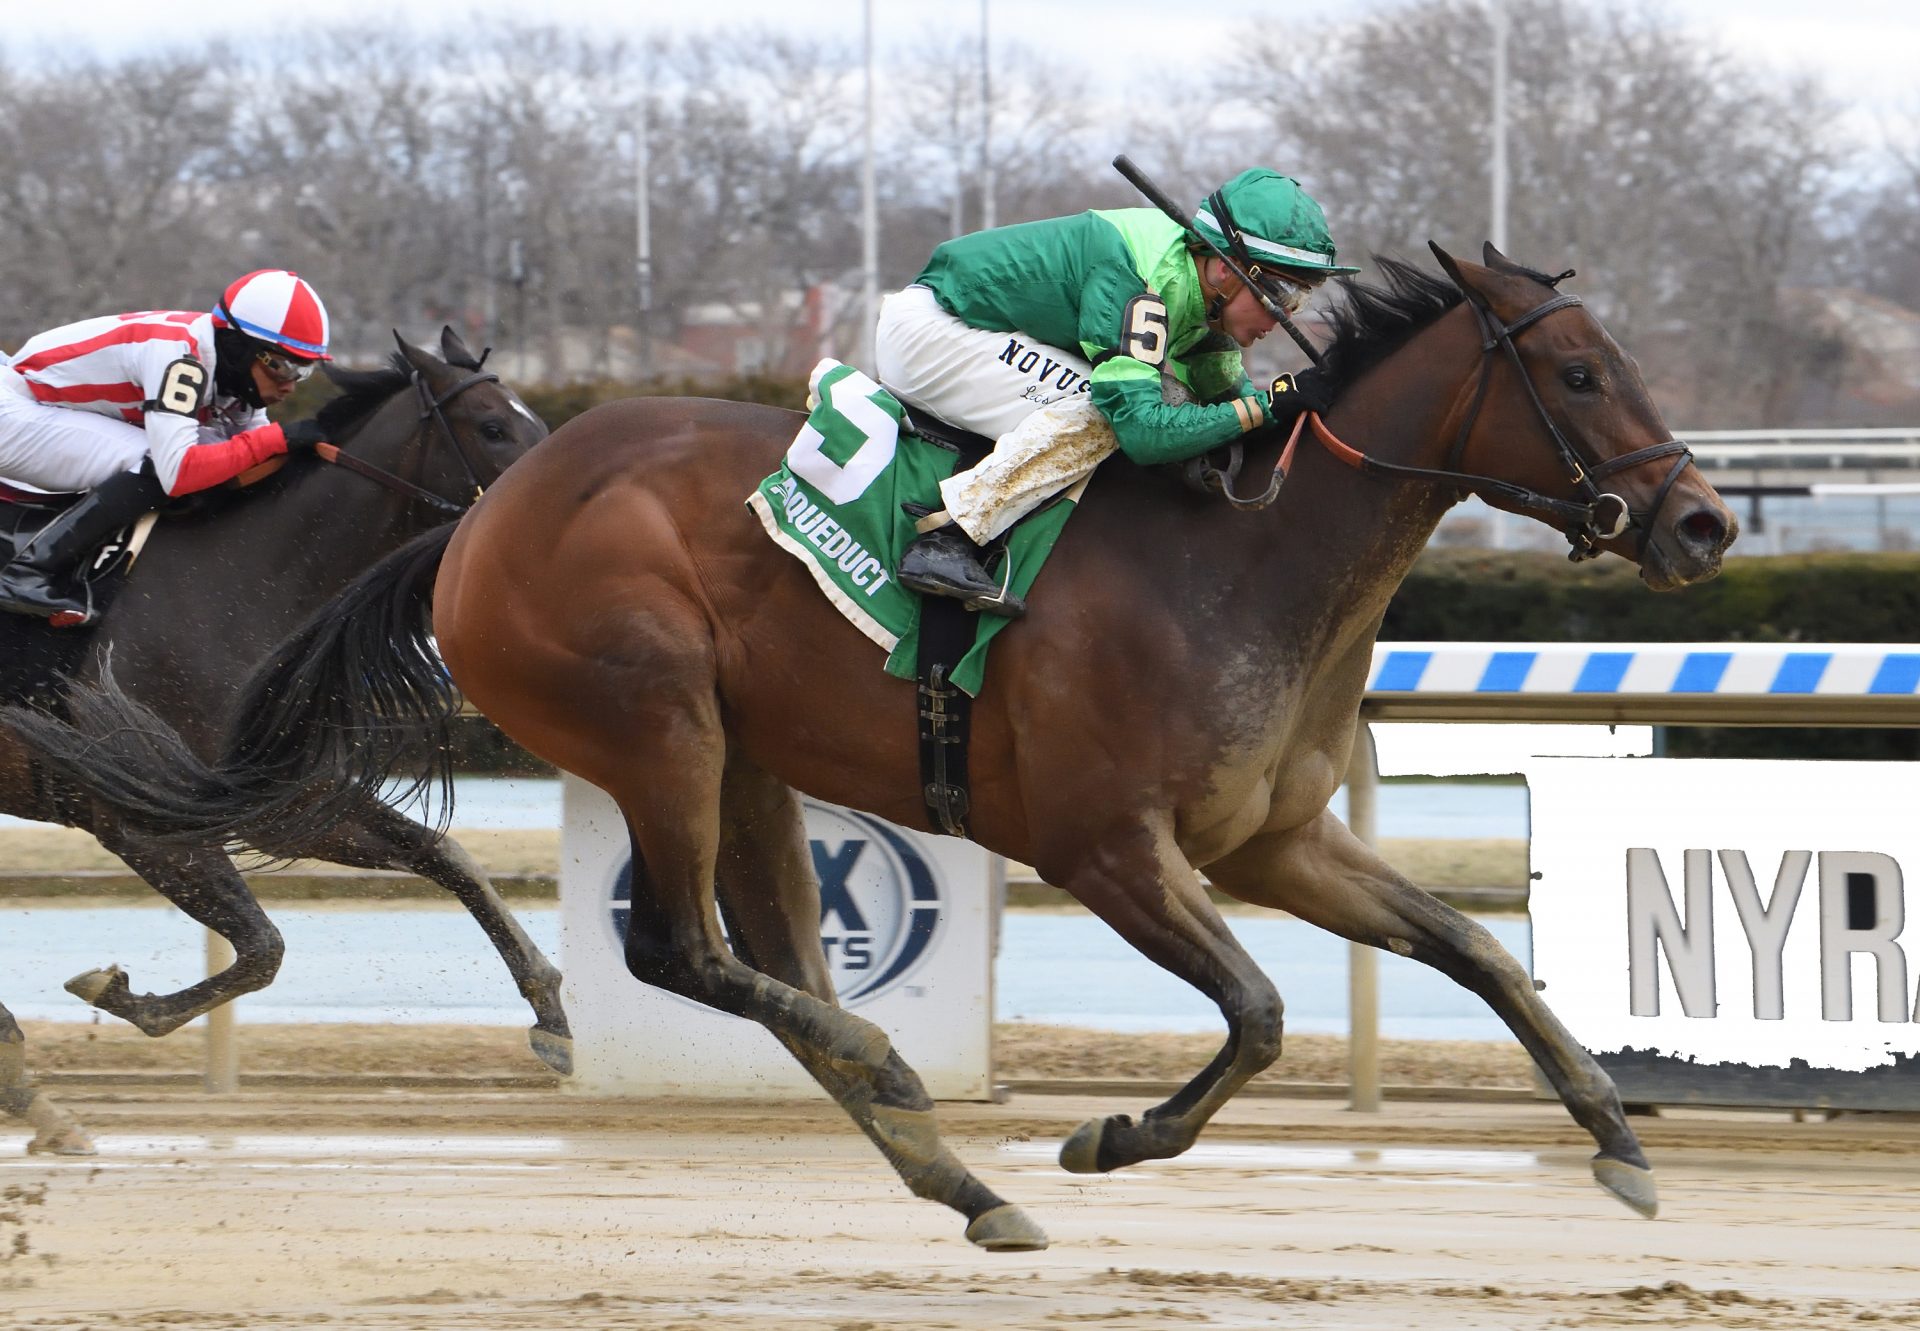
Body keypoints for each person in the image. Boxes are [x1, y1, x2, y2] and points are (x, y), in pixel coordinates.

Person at [876, 167, 1357, 617]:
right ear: (1230, 270)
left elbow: (1227, 401)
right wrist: (1265, 405)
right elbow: (1145, 433)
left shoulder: (1199, 293)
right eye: (1283, 294)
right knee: (1106, 412)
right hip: (932, 331)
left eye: (1302, 298)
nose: (1287, 316)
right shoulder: (1138, 279)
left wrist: (1288, 401)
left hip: (978, 332)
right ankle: (949, 539)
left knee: (1178, 402)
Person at [0, 269, 334, 623]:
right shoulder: (182, 358)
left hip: (41, 407)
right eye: (282, 366)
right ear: (240, 346)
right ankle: (28, 571)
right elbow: (177, 471)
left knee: (220, 454)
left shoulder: (232, 372)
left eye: (303, 371)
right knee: (158, 462)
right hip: (15, 409)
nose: (289, 385)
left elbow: (252, 458)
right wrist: (274, 439)